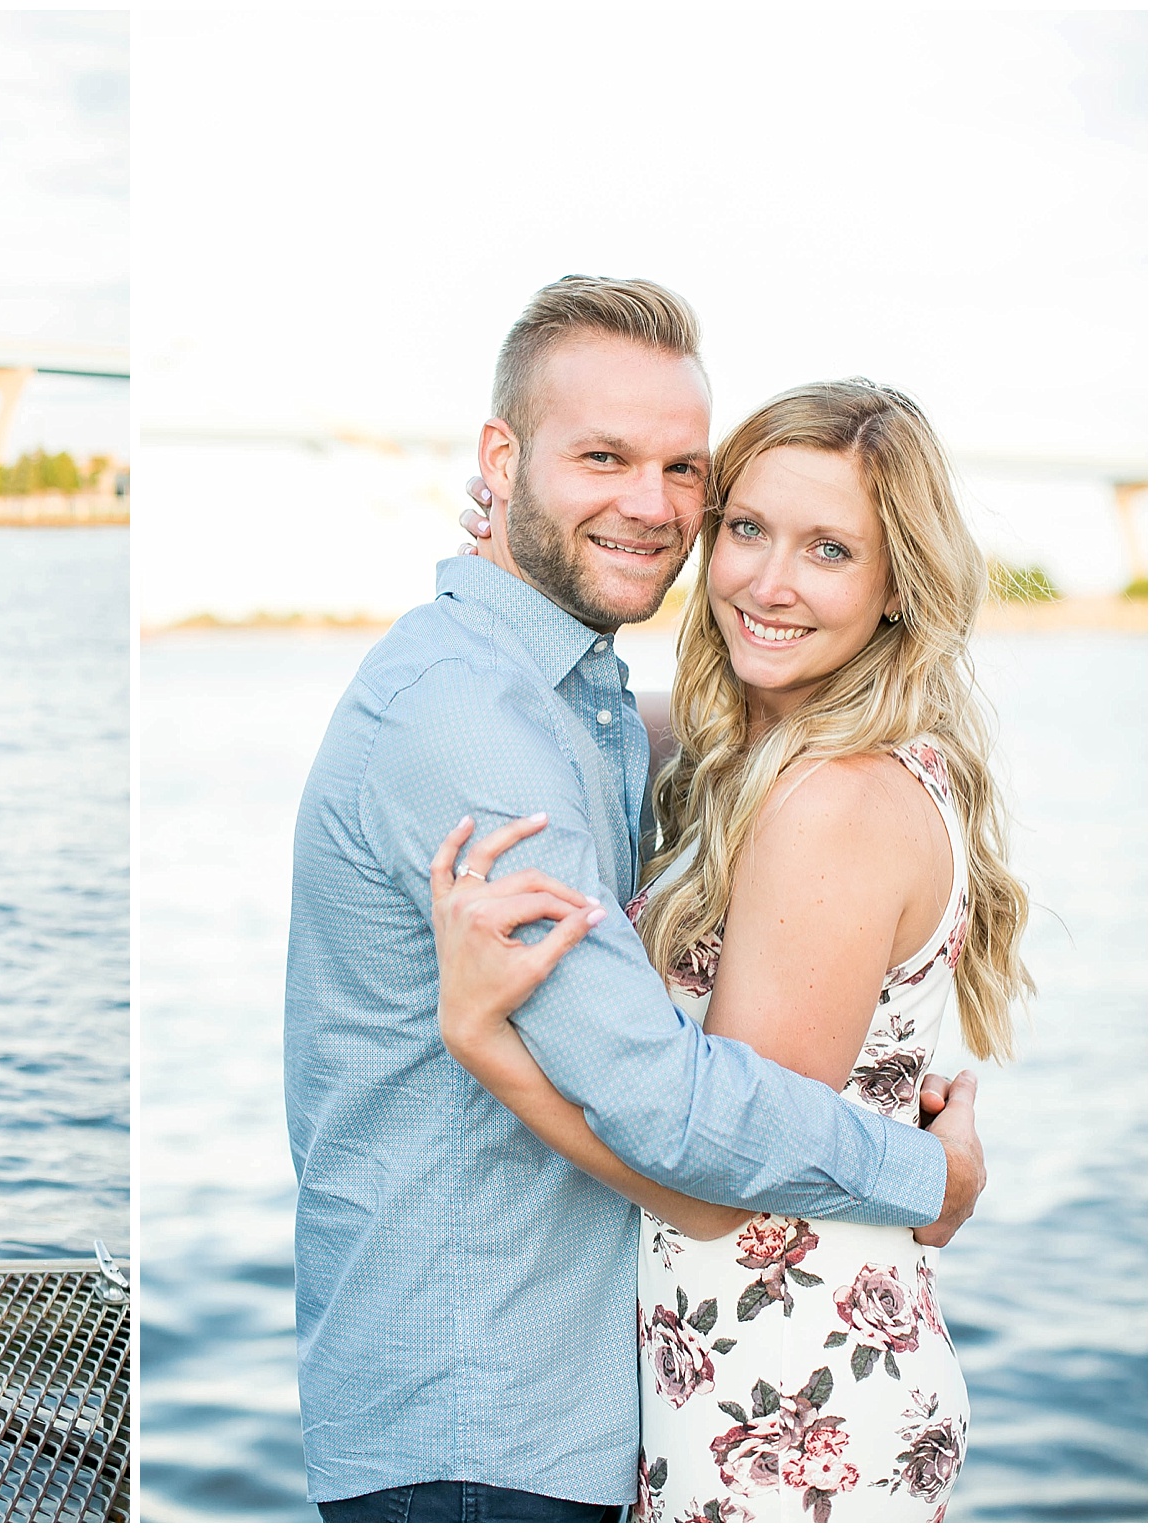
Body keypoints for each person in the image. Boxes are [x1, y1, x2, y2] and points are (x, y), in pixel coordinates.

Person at [283, 276, 989, 1522]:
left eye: (680, 475)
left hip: (732, 1397)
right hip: (484, 1424)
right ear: (498, 458)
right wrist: (927, 1178)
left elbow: (700, 1135)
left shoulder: (600, 717)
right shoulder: (485, 721)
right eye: (603, 458)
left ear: (896, 581)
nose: (652, 508)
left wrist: (534, 522)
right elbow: (680, 1118)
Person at [434, 378, 1029, 1521]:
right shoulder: (757, 758)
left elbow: (721, 1166)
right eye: (746, 529)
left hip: (791, 1405)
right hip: (744, 1373)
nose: (766, 581)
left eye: (827, 550)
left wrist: (483, 1041)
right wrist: (521, 547)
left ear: (896, 584)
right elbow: (570, 712)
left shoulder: (835, 802)